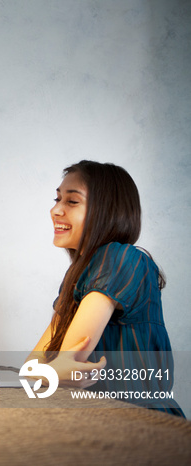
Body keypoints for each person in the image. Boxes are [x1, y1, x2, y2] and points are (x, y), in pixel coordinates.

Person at [27, 160, 184, 417]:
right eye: (57, 199)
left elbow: (66, 361)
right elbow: (31, 367)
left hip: (140, 425)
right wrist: (50, 372)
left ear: (107, 210)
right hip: (97, 418)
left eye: (72, 201)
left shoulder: (121, 258)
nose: (55, 210)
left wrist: (50, 372)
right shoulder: (78, 274)